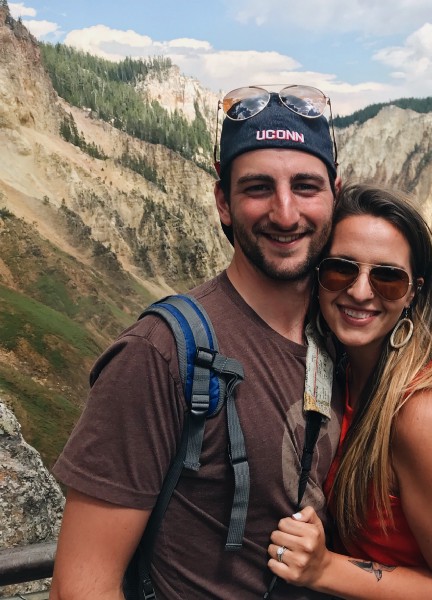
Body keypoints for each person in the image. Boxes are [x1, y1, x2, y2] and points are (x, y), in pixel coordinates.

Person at [50, 84, 343, 600]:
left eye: (305, 186)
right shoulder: (158, 354)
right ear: (223, 202)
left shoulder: (343, 336)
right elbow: (81, 587)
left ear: (334, 195)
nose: (285, 212)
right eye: (257, 188)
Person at [265, 183, 432, 599]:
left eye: (388, 278)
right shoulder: (342, 375)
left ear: (414, 292)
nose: (359, 291)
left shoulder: (425, 411)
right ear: (318, 276)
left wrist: (324, 569)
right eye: (341, 268)